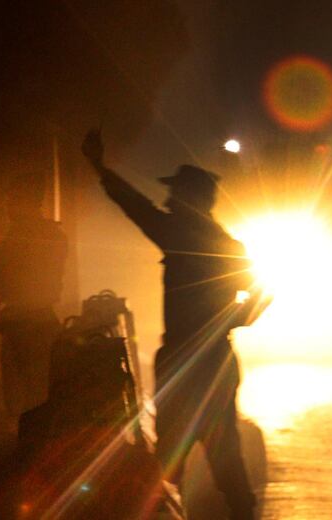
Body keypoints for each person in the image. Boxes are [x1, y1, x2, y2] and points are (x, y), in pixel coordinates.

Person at [81, 129, 270, 519]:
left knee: (170, 457)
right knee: (221, 453)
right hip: (215, 361)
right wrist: (232, 321)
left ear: (190, 199)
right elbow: (262, 292)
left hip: (185, 362)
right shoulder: (227, 246)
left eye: (175, 193)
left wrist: (99, 167)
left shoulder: (180, 234)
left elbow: (136, 206)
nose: (168, 200)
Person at [0, 172, 68, 450]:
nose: (8, 207)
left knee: (27, 399)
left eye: (13, 200)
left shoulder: (18, 240)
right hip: (36, 320)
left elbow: (9, 287)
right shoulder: (51, 235)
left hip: (26, 322)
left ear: (26, 201)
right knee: (35, 397)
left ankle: (34, 456)